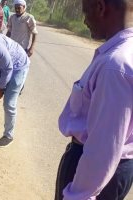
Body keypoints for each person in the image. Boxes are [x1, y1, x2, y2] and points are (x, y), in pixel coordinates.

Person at [55, 0, 133, 199]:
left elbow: (103, 148)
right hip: (116, 170)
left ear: (100, 7)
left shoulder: (115, 66)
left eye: (85, 11)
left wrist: (77, 195)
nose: (84, 20)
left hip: (96, 175)